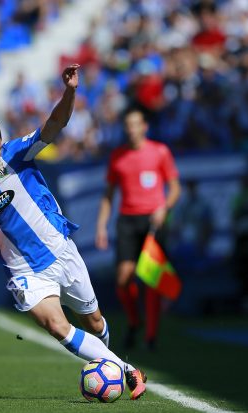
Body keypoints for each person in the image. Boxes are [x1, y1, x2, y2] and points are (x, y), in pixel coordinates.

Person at [0, 64, 147, 401]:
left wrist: (70, 91)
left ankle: (109, 365)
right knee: (56, 326)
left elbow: (56, 124)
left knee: (94, 322)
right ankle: (127, 371)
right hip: (25, 271)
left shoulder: (18, 154)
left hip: (61, 250)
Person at [95, 107, 180, 351]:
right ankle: (135, 321)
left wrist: (164, 208)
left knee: (151, 279)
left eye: (135, 124)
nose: (131, 129)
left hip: (154, 220)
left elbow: (174, 188)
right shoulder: (118, 157)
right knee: (123, 278)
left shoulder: (160, 152)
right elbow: (108, 195)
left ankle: (151, 337)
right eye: (127, 125)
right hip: (128, 220)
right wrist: (101, 225)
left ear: (145, 126)